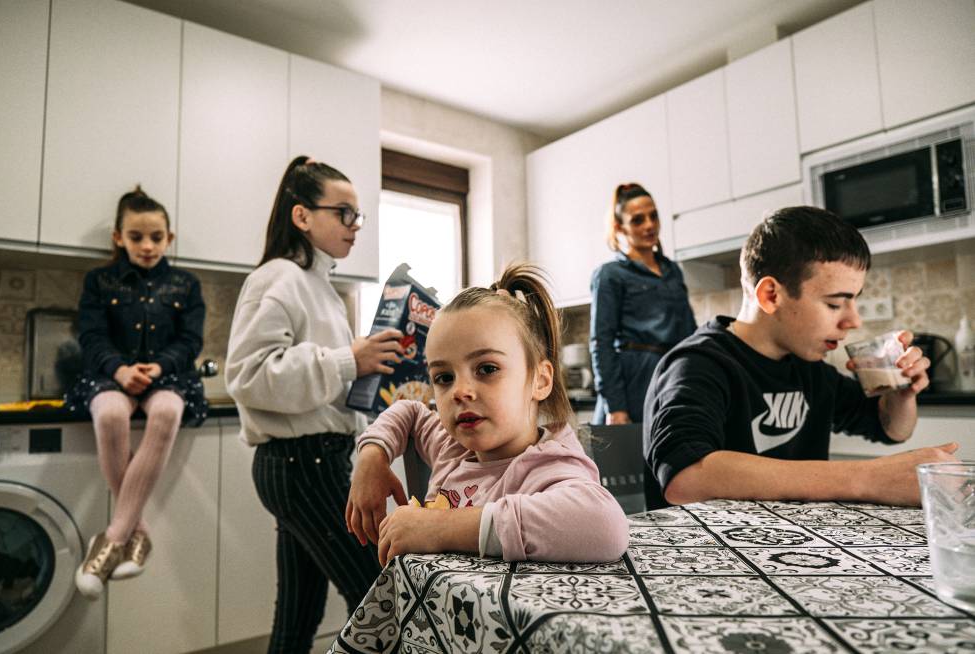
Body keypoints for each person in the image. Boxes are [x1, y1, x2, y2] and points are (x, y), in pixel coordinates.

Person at [644, 206, 959, 510]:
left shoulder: (809, 369)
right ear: (771, 295)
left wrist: (900, 394)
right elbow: (685, 478)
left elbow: (891, 430)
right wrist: (868, 478)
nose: (854, 321)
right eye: (835, 304)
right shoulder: (697, 365)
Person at [225, 156, 403, 654]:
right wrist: (350, 359)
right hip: (303, 462)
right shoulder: (277, 278)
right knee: (380, 595)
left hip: (312, 459)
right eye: (343, 213)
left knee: (300, 612)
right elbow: (248, 376)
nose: (355, 226)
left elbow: (327, 378)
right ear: (302, 216)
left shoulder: (320, 286)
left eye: (358, 216)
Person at [346, 264, 629, 565]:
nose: (460, 391)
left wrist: (437, 528)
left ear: (541, 380)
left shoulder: (547, 467)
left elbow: (606, 526)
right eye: (444, 377)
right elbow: (409, 410)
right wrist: (372, 458)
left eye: (487, 369)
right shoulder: (453, 449)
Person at [68, 186, 208, 599]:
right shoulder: (99, 280)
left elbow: (191, 340)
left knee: (166, 411)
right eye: (136, 237)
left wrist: (161, 365)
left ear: (170, 238)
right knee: (110, 414)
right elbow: (90, 335)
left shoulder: (186, 284)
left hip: (168, 374)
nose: (147, 246)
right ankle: (138, 533)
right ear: (118, 238)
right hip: (112, 372)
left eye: (156, 237)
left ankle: (111, 538)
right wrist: (120, 369)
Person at [589, 183, 696, 425]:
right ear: (620, 228)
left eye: (653, 216)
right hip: (632, 383)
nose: (649, 225)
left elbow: (690, 335)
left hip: (673, 379)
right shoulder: (609, 275)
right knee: (626, 461)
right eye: (637, 220)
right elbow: (601, 343)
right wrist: (615, 406)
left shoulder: (673, 272)